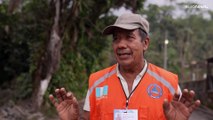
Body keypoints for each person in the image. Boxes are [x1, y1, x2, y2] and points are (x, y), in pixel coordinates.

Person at [49, 13, 201, 120]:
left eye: (129, 37)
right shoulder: (97, 81)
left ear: (145, 43)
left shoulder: (169, 83)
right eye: (116, 39)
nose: (121, 45)